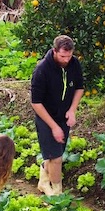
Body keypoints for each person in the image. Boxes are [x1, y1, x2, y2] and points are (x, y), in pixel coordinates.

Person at [31, 35, 84, 195]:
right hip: (46, 117)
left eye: (69, 56)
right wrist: (53, 126)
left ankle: (43, 181)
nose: (66, 60)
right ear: (54, 51)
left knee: (55, 154)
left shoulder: (74, 64)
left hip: (63, 116)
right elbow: (36, 102)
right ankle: (57, 192)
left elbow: (79, 88)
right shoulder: (42, 69)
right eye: (62, 56)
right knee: (57, 158)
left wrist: (72, 110)